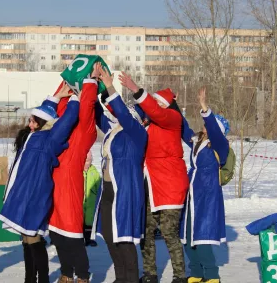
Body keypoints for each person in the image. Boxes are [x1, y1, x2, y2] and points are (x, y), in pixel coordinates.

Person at [0, 86, 79, 283]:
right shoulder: (30, 136)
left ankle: (41, 278)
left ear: (41, 123)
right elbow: (45, 112)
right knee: (26, 240)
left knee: (33, 239)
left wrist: (77, 99)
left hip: (34, 193)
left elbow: (66, 121)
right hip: (22, 191)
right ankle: (29, 278)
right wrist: (57, 97)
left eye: (33, 120)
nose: (29, 123)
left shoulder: (48, 138)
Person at [119, 73, 188, 283]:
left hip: (170, 185)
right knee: (146, 231)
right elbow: (126, 117)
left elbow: (157, 112)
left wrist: (137, 90)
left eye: (157, 103)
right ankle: (150, 273)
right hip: (150, 185)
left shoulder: (173, 120)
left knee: (168, 231)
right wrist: (105, 93)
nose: (152, 107)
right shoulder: (148, 126)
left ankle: (180, 276)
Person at [91, 67, 147, 283]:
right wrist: (92, 84)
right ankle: (121, 276)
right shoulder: (114, 129)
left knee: (124, 239)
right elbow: (97, 113)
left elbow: (122, 112)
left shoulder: (137, 132)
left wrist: (110, 86)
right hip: (107, 190)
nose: (120, 114)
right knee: (109, 235)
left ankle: (130, 279)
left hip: (125, 190)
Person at [47, 63, 100, 283]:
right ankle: (66, 273)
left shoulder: (85, 131)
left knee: (73, 234)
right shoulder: (64, 128)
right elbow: (54, 112)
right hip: (55, 182)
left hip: (70, 185)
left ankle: (83, 276)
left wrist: (92, 81)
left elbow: (87, 105)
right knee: (57, 233)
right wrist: (66, 84)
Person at [180, 87, 230, 283]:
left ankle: (211, 275)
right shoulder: (197, 141)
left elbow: (216, 132)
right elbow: (183, 129)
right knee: (187, 235)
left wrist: (204, 106)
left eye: (209, 125)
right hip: (192, 192)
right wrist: (172, 106)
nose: (205, 126)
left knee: (202, 237)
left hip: (208, 195)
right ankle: (196, 272)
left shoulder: (221, 145)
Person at [83, 150, 100, 247]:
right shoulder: (78, 171)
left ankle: (89, 239)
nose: (87, 164)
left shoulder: (94, 172)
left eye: (89, 161)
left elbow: (98, 184)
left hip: (91, 201)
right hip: (80, 201)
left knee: (89, 221)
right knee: (80, 220)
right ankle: (81, 238)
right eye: (85, 161)